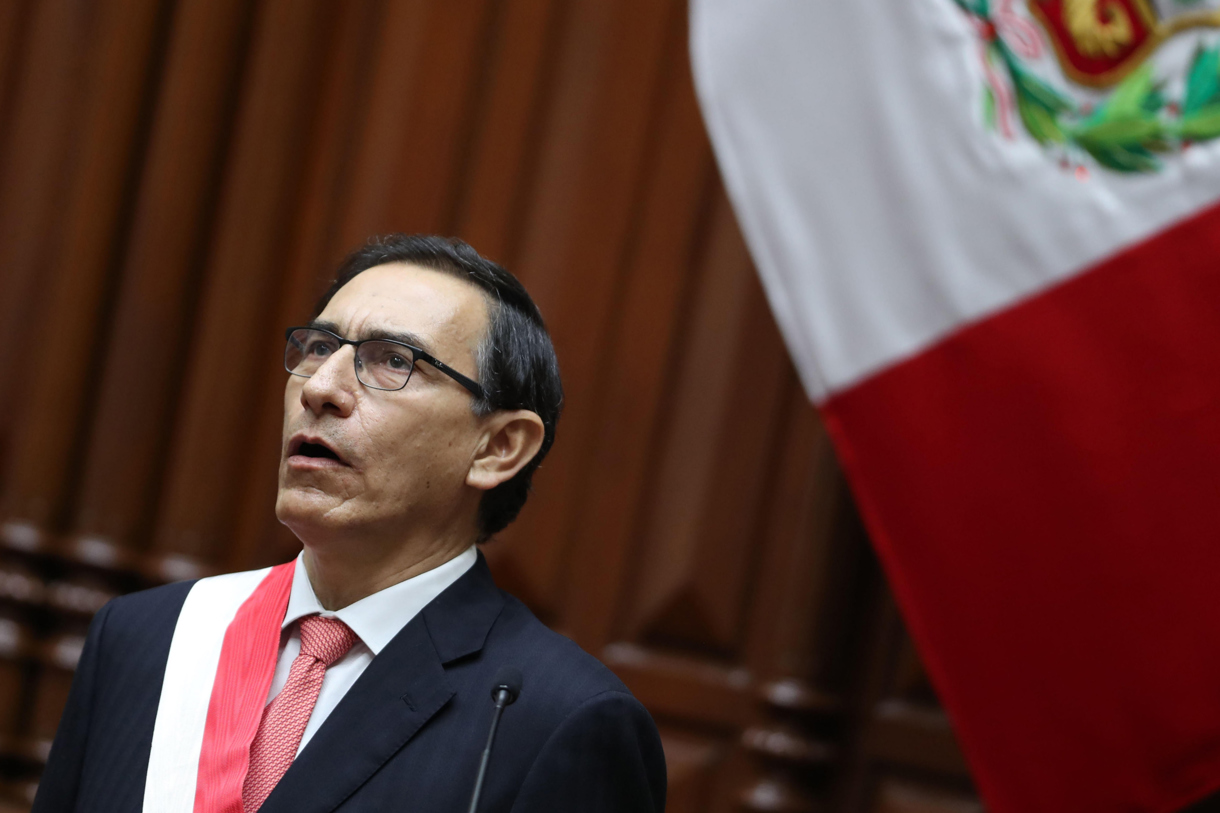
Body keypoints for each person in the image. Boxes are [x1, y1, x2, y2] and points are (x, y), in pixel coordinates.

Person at [32, 235, 667, 813]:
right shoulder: (146, 638)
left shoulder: (558, 720)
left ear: (497, 448)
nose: (320, 388)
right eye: (318, 347)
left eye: (393, 361)